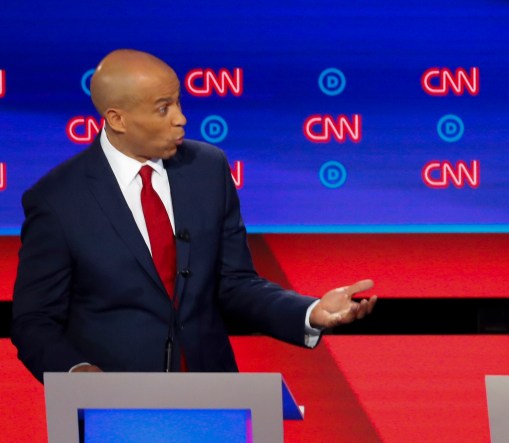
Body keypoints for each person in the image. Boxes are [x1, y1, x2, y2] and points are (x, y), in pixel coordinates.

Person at [11, 49, 376, 381]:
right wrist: (76, 373)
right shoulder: (57, 199)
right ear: (117, 119)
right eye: (162, 108)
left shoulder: (207, 169)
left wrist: (311, 312)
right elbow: (34, 321)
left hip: (212, 400)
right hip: (114, 409)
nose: (181, 119)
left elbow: (235, 284)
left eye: (178, 102)